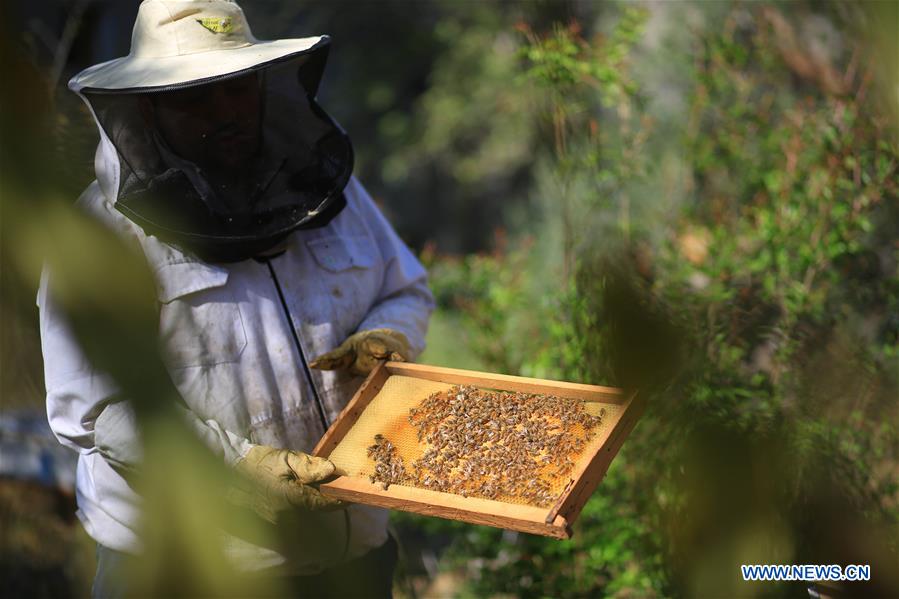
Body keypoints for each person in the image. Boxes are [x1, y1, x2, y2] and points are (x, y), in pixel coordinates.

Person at [38, 0, 434, 596]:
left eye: (236, 89)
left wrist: (388, 334)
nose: (224, 112)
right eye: (195, 95)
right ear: (147, 106)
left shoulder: (330, 193)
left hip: (351, 562)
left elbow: (406, 288)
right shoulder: (100, 237)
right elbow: (95, 410)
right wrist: (238, 471)